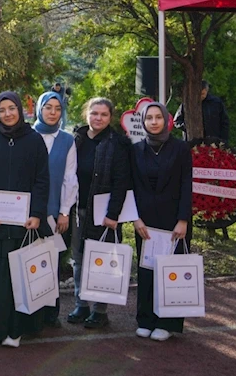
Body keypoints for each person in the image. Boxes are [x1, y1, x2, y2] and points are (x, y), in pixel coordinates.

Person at [0, 92, 51, 347]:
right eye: (2, 110)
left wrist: (36, 213)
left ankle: (15, 331)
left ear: (20, 110)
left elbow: (42, 180)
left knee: (17, 277)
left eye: (11, 108)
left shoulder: (35, 141)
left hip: (23, 225)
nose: (7, 113)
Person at [67, 97, 132, 329]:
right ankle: (81, 304)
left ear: (110, 117)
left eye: (104, 115)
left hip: (104, 214)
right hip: (77, 210)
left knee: (103, 261)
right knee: (79, 259)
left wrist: (113, 214)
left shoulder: (118, 144)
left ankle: (100, 311)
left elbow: (122, 182)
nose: (98, 118)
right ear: (87, 114)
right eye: (94, 113)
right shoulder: (76, 139)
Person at [132, 102, 192, 341]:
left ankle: (168, 323)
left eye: (158, 117)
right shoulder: (136, 150)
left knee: (171, 271)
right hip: (145, 222)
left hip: (173, 220)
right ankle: (145, 319)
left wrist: (183, 220)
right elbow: (131, 185)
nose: (154, 122)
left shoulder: (180, 148)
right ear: (143, 122)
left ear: (167, 120)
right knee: (146, 270)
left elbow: (187, 184)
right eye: (149, 118)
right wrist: (135, 219)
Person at [33, 91, 78, 328]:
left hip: (54, 212)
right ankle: (30, 312)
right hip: (29, 212)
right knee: (29, 260)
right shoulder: (27, 135)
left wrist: (64, 211)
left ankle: (50, 314)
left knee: (51, 263)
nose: (52, 112)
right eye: (48, 107)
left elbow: (70, 178)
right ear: (39, 109)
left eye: (57, 108)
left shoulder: (67, 140)